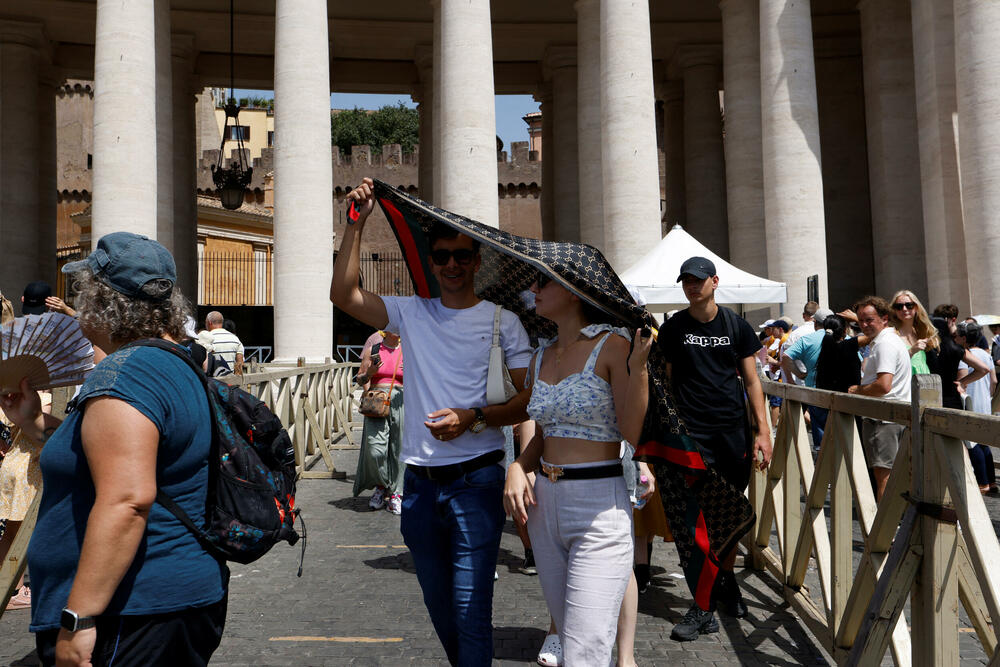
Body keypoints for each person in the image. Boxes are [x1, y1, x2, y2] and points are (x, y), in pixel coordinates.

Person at [0, 232, 228, 666]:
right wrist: (34, 421)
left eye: (82, 291)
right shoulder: (171, 362)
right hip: (171, 600)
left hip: (132, 611)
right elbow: (110, 454)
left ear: (103, 301)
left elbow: (127, 499)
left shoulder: (123, 377)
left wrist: (79, 619)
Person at [331, 178, 533, 665]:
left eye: (462, 256)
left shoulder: (502, 320)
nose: (451, 265)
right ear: (431, 261)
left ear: (477, 261)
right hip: (418, 483)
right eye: (442, 256)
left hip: (477, 477)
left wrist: (473, 417)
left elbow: (530, 399)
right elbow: (343, 293)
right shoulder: (410, 312)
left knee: (470, 607)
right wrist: (356, 223)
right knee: (440, 606)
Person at [502, 268, 652, 665]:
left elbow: (632, 432)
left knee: (586, 648)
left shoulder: (613, 346)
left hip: (599, 505)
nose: (532, 289)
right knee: (569, 637)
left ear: (573, 291)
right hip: (544, 506)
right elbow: (546, 436)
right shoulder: (539, 356)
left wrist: (639, 370)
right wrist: (518, 466)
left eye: (542, 281)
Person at [655, 256, 772, 641]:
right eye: (686, 280)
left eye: (698, 280)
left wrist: (763, 432)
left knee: (730, 514)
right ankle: (704, 603)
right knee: (699, 520)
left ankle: (726, 582)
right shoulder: (674, 328)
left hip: (732, 434)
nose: (692, 286)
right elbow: (667, 383)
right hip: (693, 437)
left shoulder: (736, 326)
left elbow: (753, 381)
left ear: (715, 282)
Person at [848, 297, 913, 500]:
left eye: (869, 320)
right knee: (896, 475)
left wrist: (857, 390)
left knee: (884, 476)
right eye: (860, 321)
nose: (864, 325)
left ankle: (887, 530)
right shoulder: (888, 340)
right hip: (893, 417)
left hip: (884, 420)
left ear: (884, 318)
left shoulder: (885, 344)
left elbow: (884, 385)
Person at [353, 330, 406, 514]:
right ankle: (382, 485)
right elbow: (359, 378)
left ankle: (396, 493)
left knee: (399, 449)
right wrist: (370, 373)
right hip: (376, 403)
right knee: (375, 449)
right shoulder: (374, 349)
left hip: (402, 402)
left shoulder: (408, 349)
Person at [955, 322, 999, 494]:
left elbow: (962, 381)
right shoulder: (985, 353)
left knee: (972, 444)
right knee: (984, 443)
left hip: (970, 402)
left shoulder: (964, 355)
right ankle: (992, 481)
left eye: (957, 336)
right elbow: (994, 380)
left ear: (964, 338)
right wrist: (988, 397)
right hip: (984, 402)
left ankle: (983, 483)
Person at [930, 304, 991, 411]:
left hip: (931, 397)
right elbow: (984, 369)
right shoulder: (954, 346)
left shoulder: (928, 344)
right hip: (951, 399)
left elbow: (984, 369)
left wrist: (962, 382)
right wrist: (962, 382)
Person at [888, 290, 939, 374]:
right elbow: (889, 365)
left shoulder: (922, 332)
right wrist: (911, 351)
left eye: (909, 305)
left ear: (916, 307)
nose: (904, 309)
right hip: (905, 384)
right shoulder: (891, 335)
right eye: (899, 306)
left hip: (925, 383)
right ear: (894, 310)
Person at [204, 311, 244, 376]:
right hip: (230, 382)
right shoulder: (235, 339)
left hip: (213, 382)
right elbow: (240, 363)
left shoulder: (205, 338)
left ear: (209, 322)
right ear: (222, 322)